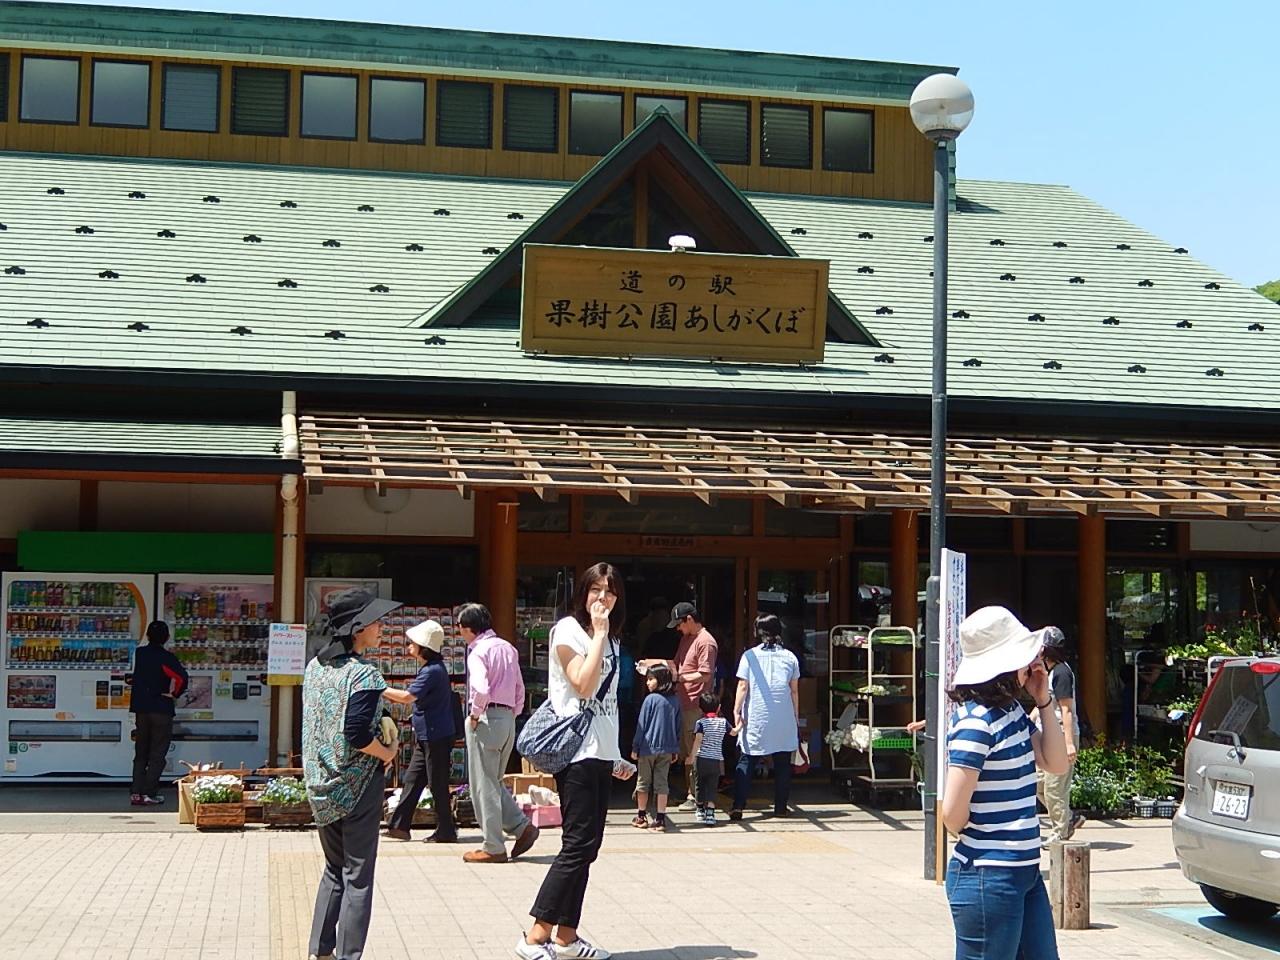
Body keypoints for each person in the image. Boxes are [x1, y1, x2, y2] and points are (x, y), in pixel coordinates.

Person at [518, 562, 635, 960]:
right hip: (576, 754)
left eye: (610, 591)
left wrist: (616, 755)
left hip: (600, 753)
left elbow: (608, 704)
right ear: (583, 593)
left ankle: (566, 936)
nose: (603, 598)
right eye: (596, 590)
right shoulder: (568, 630)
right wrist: (598, 634)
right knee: (575, 846)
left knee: (589, 847)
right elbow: (582, 685)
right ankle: (535, 935)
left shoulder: (612, 639)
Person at [942, 605, 1069, 960]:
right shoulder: (975, 723)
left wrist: (1043, 700)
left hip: (1023, 871)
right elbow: (951, 814)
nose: (1033, 662)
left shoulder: (1011, 713)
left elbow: (1056, 763)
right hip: (988, 875)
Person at [302, 588, 404, 960]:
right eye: (376, 623)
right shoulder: (365, 674)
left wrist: (384, 716)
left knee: (334, 868)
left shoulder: (315, 668)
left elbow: (336, 715)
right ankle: (348, 955)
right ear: (358, 629)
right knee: (358, 877)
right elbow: (357, 734)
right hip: (357, 785)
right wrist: (388, 752)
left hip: (320, 784)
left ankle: (320, 950)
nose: (381, 629)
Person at [460, 602, 538, 864]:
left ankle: (493, 846)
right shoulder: (508, 648)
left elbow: (481, 689)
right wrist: (512, 714)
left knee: (483, 786)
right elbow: (519, 688)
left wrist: (475, 715)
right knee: (493, 781)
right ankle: (521, 827)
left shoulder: (477, 652)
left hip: (486, 718)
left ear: (468, 629)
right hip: (507, 718)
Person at [383, 619, 459, 843]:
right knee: (413, 778)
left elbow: (407, 697)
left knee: (437, 783)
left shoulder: (432, 671)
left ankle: (446, 830)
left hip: (436, 735)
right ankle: (400, 826)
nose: (409, 646)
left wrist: (379, 688)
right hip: (428, 734)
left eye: (413, 643)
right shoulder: (431, 669)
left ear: (423, 647)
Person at [639, 601, 718, 812]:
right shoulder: (686, 639)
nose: (678, 629)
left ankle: (696, 795)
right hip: (682, 702)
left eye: (680, 624)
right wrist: (652, 663)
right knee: (684, 752)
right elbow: (676, 664)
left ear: (689, 619)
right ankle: (691, 792)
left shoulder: (706, 642)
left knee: (694, 750)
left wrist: (678, 678)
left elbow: (705, 674)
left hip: (695, 704)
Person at [730, 614, 800, 821]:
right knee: (782, 763)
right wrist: (796, 716)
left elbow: (743, 686)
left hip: (757, 716)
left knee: (747, 760)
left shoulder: (749, 656)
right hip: (783, 717)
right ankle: (780, 808)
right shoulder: (790, 657)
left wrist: (736, 710)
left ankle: (738, 806)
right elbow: (794, 690)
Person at [128, 620, 189, 806]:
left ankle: (136, 792)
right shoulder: (166, 657)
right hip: (161, 708)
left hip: (141, 708)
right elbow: (181, 678)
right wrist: (174, 694)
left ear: (147, 636)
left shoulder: (140, 653)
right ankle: (149, 792)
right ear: (167, 638)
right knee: (157, 753)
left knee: (141, 752)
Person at [1033, 627, 1085, 843]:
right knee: (1038, 785)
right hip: (1048, 737)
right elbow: (1044, 702)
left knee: (1054, 789)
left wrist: (1069, 743)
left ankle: (1060, 833)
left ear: (1046, 649)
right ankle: (1068, 818)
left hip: (1061, 737)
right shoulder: (1049, 671)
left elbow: (1067, 710)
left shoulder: (1062, 673)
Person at [630, 662, 680, 831]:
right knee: (662, 783)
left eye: (651, 679)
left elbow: (641, 725)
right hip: (667, 749)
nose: (648, 682)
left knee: (643, 782)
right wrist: (675, 748)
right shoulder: (675, 701)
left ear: (661, 680)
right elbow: (677, 726)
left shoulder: (650, 699)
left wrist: (635, 747)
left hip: (647, 748)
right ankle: (660, 818)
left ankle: (641, 816)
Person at [692, 690, 730, 826]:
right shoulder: (723, 722)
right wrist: (741, 724)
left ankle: (699, 809)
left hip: (701, 759)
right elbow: (733, 732)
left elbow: (698, 741)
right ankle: (710, 813)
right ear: (719, 707)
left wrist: (691, 757)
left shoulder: (700, 723)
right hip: (716, 761)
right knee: (712, 786)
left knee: (699, 784)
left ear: (700, 708)